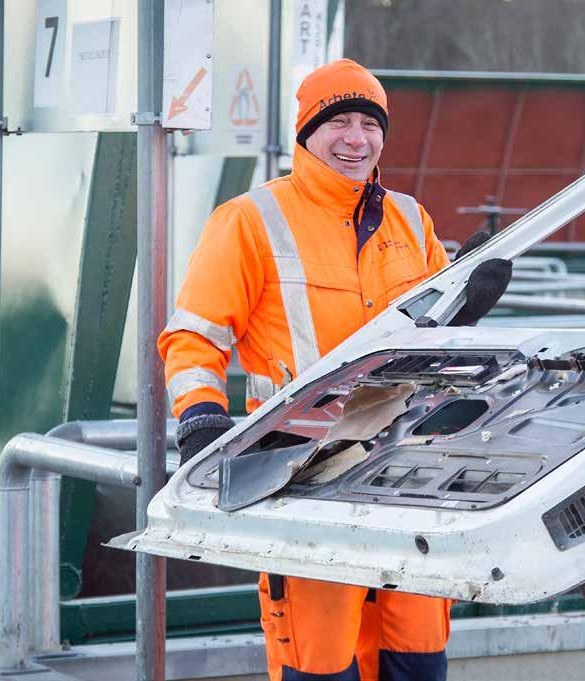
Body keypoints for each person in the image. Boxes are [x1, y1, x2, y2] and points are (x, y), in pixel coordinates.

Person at [159, 59, 511, 681]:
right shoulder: (249, 219)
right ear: (306, 134)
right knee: (320, 665)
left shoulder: (411, 218)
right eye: (338, 122)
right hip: (300, 470)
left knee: (418, 657)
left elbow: (432, 339)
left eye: (369, 124)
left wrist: (468, 311)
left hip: (409, 472)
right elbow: (194, 336)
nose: (356, 139)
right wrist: (200, 417)